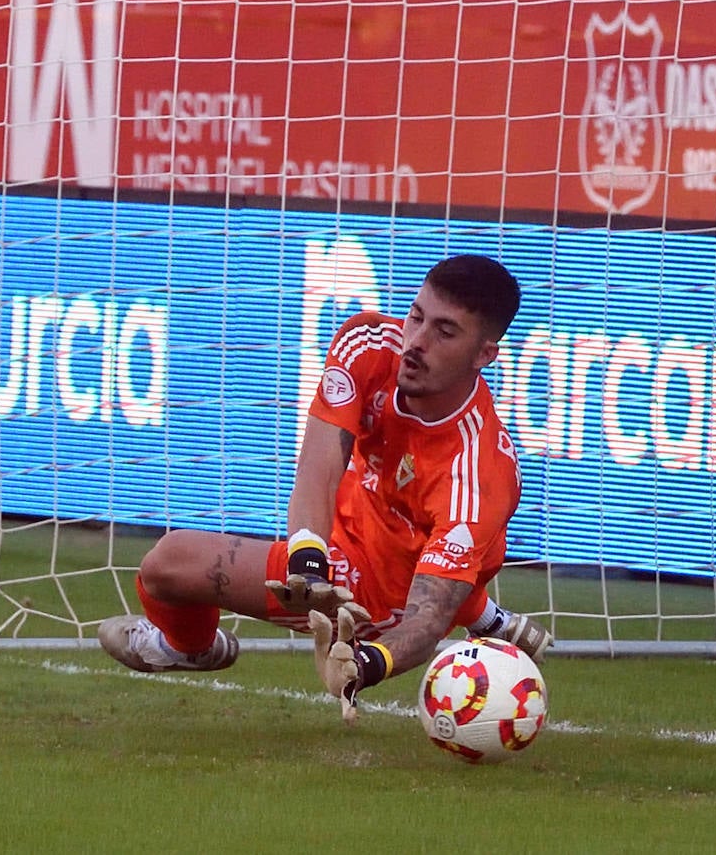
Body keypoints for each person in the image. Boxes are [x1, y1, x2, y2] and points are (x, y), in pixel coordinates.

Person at [98, 254, 550, 721]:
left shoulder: (479, 472)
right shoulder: (367, 344)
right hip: (350, 531)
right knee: (163, 566)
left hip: (380, 591)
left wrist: (367, 663)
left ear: (484, 355)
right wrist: (307, 559)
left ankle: (470, 601)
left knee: (170, 563)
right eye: (416, 316)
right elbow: (320, 464)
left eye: (444, 332)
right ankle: (191, 649)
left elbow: (426, 618)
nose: (415, 342)